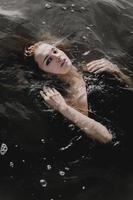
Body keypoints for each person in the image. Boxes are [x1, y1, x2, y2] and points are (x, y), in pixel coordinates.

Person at [24, 39, 133, 145]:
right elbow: (107, 137)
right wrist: (64, 108)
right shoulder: (72, 101)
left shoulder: (94, 67)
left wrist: (118, 71)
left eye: (55, 51)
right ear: (46, 73)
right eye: (48, 60)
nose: (57, 57)